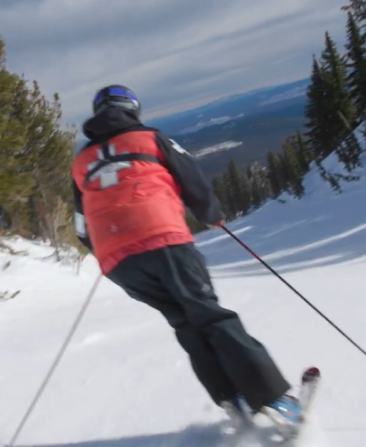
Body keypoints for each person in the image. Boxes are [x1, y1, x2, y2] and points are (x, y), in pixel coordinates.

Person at [70, 85, 300, 425]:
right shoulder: (150, 138)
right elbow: (191, 179)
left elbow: (79, 226)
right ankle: (274, 401)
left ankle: (232, 402)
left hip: (118, 262)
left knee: (186, 325)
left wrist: (110, 246)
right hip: (162, 240)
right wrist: (211, 215)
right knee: (211, 316)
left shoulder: (80, 162)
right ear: (132, 109)